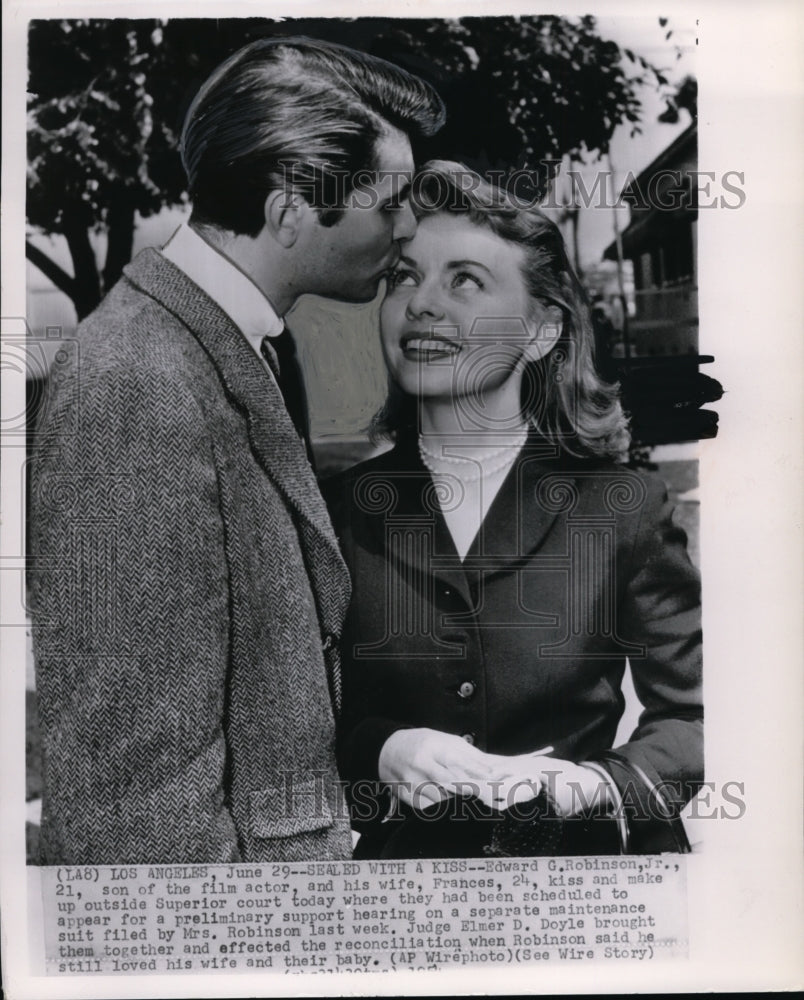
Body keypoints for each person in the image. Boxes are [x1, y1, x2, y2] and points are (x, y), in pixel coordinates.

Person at [28, 37, 444, 864]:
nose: (408, 226)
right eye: (389, 200)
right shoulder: (138, 377)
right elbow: (132, 796)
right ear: (291, 207)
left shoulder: (223, 342)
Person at [326, 161, 703, 859]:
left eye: (464, 280)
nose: (422, 305)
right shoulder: (339, 515)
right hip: (411, 902)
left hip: (593, 886)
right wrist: (382, 748)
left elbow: (694, 718)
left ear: (540, 333)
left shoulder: (624, 506)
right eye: (405, 276)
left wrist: (595, 785)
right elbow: (295, 720)